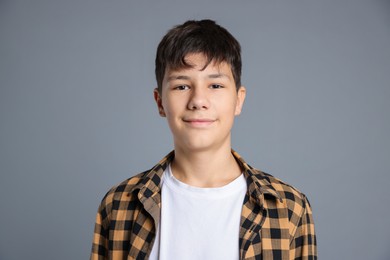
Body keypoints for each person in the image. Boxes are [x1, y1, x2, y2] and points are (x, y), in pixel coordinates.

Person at [90, 19, 317, 260]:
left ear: (238, 100)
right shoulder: (119, 204)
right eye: (181, 86)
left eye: (216, 85)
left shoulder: (288, 207)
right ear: (160, 102)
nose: (198, 100)